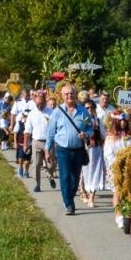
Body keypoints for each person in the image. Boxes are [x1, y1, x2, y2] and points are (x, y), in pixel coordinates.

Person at [48, 84, 93, 216]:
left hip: (78, 149)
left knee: (75, 178)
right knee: (65, 176)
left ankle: (70, 196)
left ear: (75, 95)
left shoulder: (83, 111)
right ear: (62, 96)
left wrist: (86, 134)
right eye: (66, 94)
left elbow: (90, 128)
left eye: (71, 93)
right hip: (62, 149)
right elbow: (51, 132)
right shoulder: (57, 112)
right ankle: (69, 204)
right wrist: (47, 149)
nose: (69, 96)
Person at [80, 96, 108, 207]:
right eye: (87, 108)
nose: (89, 110)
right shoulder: (81, 121)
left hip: (96, 150)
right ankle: (83, 192)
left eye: (91, 107)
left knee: (96, 173)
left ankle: (92, 197)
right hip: (84, 150)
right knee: (84, 173)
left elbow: (103, 135)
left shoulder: (98, 121)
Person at [26, 91, 53, 193]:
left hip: (49, 142)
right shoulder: (32, 114)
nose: (40, 105)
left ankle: (50, 175)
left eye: (42, 103)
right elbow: (27, 130)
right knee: (36, 164)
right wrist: (25, 144)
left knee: (51, 165)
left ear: (45, 101)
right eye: (38, 103)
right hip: (36, 141)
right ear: (34, 101)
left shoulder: (51, 112)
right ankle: (37, 184)